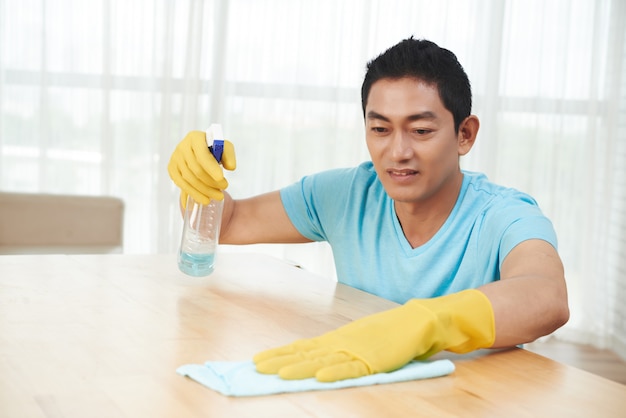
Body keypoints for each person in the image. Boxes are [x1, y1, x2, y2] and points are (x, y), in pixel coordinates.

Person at [168, 37, 569, 383]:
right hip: (365, 391)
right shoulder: (345, 195)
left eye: (421, 130)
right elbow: (230, 224)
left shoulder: (504, 214)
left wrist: (429, 322)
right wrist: (199, 182)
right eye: (380, 128)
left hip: (473, 398)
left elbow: (547, 295)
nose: (398, 152)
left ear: (464, 134)